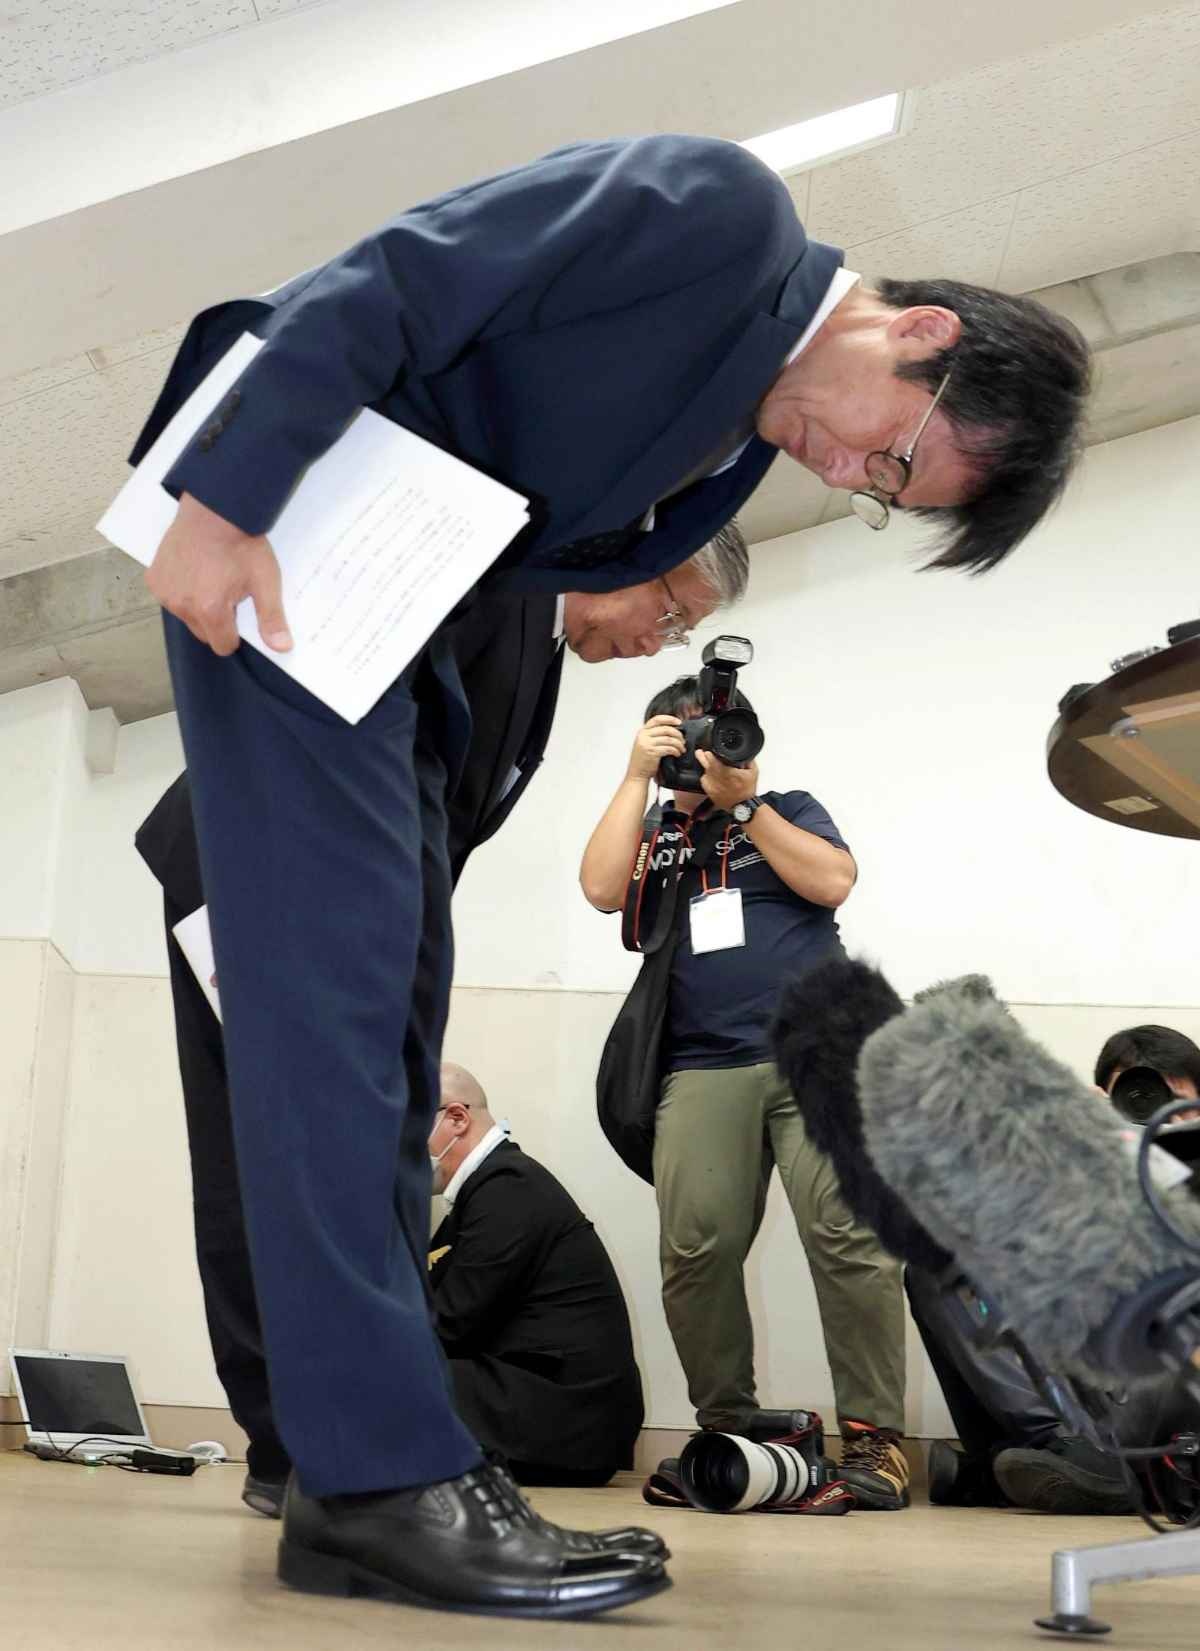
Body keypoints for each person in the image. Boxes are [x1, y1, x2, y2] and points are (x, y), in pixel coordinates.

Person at [133, 134, 1090, 1618]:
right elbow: (395, 281)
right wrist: (225, 495)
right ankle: (378, 1483)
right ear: (920, 331)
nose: (849, 473)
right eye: (892, 456)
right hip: (295, 551)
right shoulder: (723, 214)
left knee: (389, 1056)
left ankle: (370, 1472)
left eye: (881, 494)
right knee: (331, 1047)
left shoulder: (731, 439)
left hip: (392, 641)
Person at [134, 533, 745, 1517]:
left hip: (311, 887)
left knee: (307, 1163)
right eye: (671, 614)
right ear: (640, 551)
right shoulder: (497, 591)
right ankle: (297, 1450)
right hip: (266, 867)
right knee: (273, 1164)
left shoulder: (539, 643)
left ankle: (309, 1447)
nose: (658, 643)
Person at [580, 676, 910, 1511]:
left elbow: (834, 882)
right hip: (700, 1062)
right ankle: (727, 1428)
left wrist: (746, 804)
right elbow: (600, 889)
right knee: (694, 1248)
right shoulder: (655, 833)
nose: (704, 752)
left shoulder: (788, 807)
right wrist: (634, 777)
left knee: (849, 1236)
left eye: (716, 734)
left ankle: (875, 1440)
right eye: (685, 737)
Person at [915, 1024, 1200, 1514]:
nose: (1160, 1117)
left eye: (1178, 1104)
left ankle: (1026, 1471)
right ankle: (1059, 1449)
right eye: (1138, 1100)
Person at [429, 1064, 644, 1487]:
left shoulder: (508, 1188)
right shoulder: (491, 1189)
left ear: (456, 1118)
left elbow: (450, 1322)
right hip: (549, 1404)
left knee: (383, 1378)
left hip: (564, 1417)